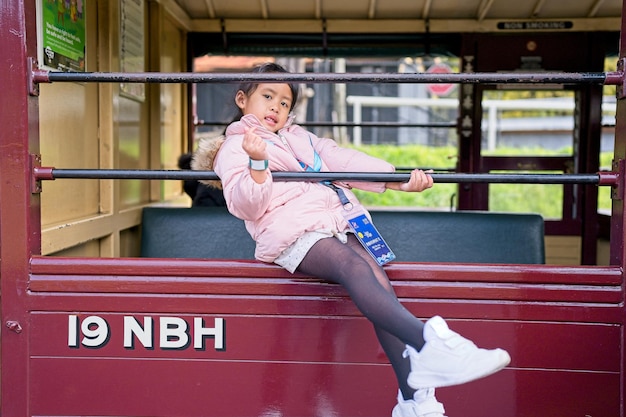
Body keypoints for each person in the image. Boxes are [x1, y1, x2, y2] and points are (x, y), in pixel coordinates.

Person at [193, 62, 510, 417]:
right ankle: (430, 343)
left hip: (338, 222)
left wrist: (399, 180)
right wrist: (258, 163)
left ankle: (413, 399)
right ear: (242, 99)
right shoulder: (235, 147)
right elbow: (246, 206)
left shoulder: (302, 139)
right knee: (353, 267)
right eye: (268, 96)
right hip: (291, 233)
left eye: (284, 103)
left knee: (377, 278)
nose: (276, 108)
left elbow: (344, 160)